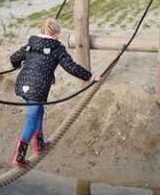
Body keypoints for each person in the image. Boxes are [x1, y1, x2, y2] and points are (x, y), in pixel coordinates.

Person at [9, 18, 99, 166]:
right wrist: (91, 76)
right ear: (57, 33)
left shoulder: (31, 44)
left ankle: (39, 144)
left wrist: (17, 64)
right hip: (37, 88)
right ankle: (19, 156)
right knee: (33, 116)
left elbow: (14, 58)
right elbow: (72, 67)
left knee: (38, 111)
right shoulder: (57, 48)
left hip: (22, 84)